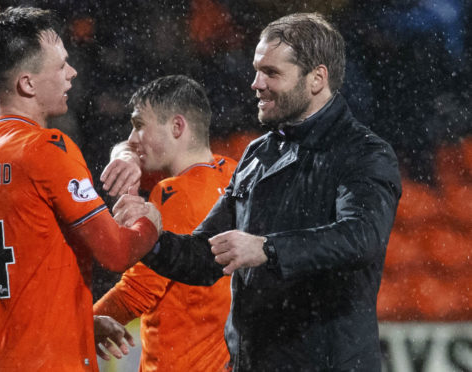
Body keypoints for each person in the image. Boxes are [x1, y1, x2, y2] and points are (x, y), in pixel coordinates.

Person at [115, 13, 402, 371]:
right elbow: (207, 256)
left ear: (317, 79)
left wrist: (268, 248)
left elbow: (362, 237)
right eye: (256, 70)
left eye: (271, 73)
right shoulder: (258, 153)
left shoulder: (364, 152)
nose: (255, 83)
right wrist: (151, 238)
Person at [0, 7, 161, 371]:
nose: (72, 73)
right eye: (60, 66)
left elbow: (26, 264)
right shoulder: (45, 148)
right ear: (28, 83)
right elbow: (116, 252)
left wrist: (77, 322)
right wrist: (150, 222)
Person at [94, 75, 237, 372]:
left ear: (176, 127)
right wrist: (127, 158)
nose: (132, 139)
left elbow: (137, 292)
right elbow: (124, 150)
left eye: (139, 126)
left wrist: (80, 324)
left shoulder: (175, 192)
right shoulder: (234, 173)